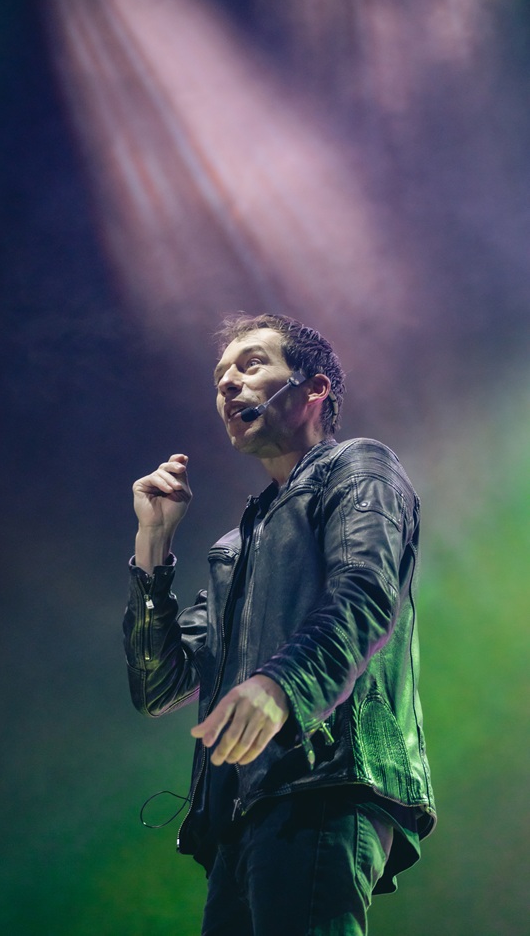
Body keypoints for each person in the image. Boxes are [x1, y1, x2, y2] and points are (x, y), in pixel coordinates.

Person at [123, 313, 435, 936]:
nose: (227, 384)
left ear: (314, 388)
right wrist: (153, 543)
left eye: (251, 364)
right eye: (220, 375)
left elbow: (365, 594)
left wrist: (282, 684)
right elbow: (158, 687)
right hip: (239, 816)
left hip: (323, 782)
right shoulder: (236, 546)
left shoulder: (359, 467)